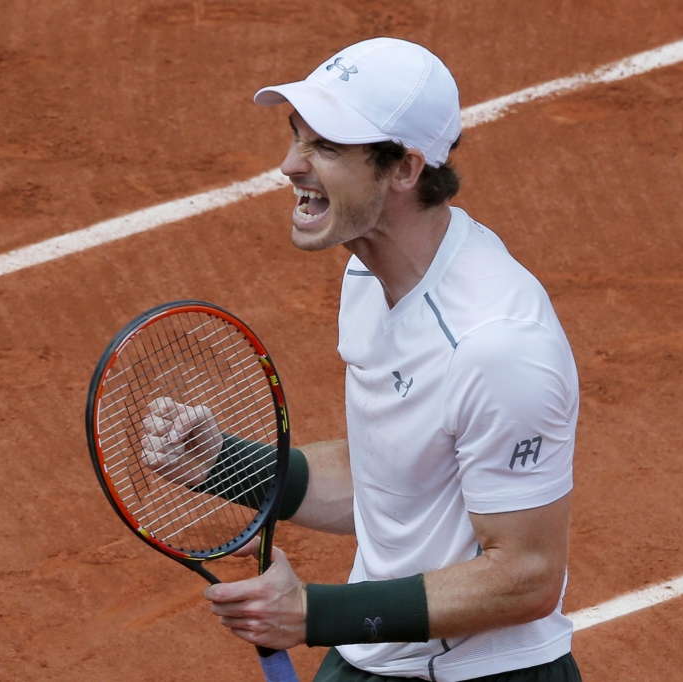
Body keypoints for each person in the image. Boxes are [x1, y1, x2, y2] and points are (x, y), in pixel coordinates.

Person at [145, 38, 582, 682]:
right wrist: (224, 463)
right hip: (375, 659)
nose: (290, 164)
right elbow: (390, 484)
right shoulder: (367, 280)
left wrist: (316, 615)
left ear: (404, 169)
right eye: (298, 137)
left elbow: (526, 577)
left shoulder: (498, 347)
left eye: (325, 147)